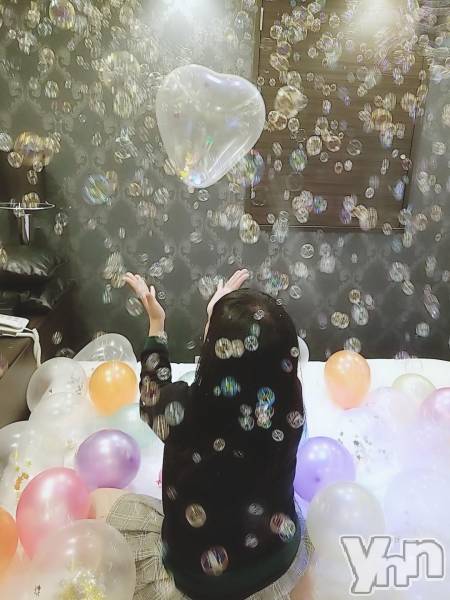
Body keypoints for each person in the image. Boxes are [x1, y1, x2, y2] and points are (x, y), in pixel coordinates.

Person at [101, 269, 312, 600]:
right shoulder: (289, 400)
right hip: (272, 557)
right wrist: (219, 315)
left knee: (101, 502)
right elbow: (246, 367)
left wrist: (157, 324)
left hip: (198, 577)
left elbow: (151, 394)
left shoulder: (184, 410)